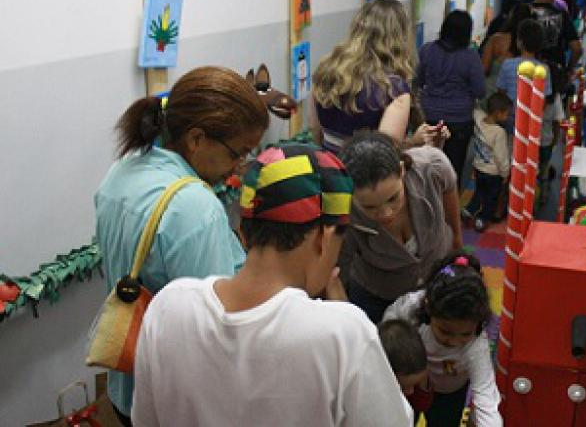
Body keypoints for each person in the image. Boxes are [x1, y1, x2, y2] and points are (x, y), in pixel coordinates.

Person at [132, 143, 413, 427]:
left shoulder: (168, 306)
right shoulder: (342, 334)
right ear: (325, 238)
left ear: (243, 233)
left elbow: (145, 420)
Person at [95, 66, 271, 425]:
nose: (238, 166)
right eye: (237, 153)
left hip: (127, 385)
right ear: (196, 139)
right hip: (176, 402)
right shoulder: (194, 206)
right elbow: (219, 327)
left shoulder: (122, 172)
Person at [338, 131, 462, 323]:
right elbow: (338, 273)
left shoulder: (432, 167)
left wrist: (457, 247)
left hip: (436, 277)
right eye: (370, 207)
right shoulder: (343, 209)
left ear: (402, 170)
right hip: (378, 293)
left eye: (393, 198)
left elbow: (451, 203)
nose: (386, 213)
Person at [383, 251, 502, 427]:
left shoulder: (477, 345)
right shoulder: (411, 308)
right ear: (428, 308)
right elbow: (387, 332)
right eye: (445, 331)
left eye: (465, 334)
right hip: (411, 385)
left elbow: (486, 398)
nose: (454, 342)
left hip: (450, 393)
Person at [311, 0, 415, 153]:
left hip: (328, 164)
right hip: (363, 168)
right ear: (401, 37)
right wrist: (415, 142)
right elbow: (384, 153)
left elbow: (316, 131)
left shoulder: (327, 71)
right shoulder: (394, 89)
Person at [417, 10, 486, 187]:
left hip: (429, 115)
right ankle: (449, 199)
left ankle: (427, 197)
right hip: (459, 119)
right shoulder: (470, 57)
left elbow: (417, 81)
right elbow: (480, 90)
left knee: (427, 165)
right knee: (453, 167)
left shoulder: (426, 50)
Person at [496, 19, 563, 198]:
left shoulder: (507, 65)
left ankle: (505, 200)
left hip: (511, 124)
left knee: (509, 164)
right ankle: (528, 200)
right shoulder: (544, 69)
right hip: (533, 127)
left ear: (519, 42)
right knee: (530, 167)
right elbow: (543, 100)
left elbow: (501, 95)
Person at [462, 91, 512, 232]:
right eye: (506, 114)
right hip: (493, 174)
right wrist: (505, 173)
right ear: (497, 113)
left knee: (479, 192)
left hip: (479, 168)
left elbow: (476, 111)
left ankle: (469, 210)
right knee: (490, 198)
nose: (508, 117)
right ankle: (482, 220)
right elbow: (501, 157)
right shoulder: (499, 133)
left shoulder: (479, 121)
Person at [530, 0, 583, 96]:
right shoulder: (561, 15)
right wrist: (568, 70)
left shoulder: (524, 11)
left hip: (526, 71)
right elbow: (577, 49)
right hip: (553, 75)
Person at [379, 319, 433, 415]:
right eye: (402, 387)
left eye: (415, 384)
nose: (410, 392)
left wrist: (423, 384)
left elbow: (422, 406)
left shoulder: (414, 374)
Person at [481, 2, 532, 99]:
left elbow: (484, 68)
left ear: (510, 18)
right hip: (517, 95)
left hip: (492, 94)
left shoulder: (497, 40)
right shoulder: (530, 44)